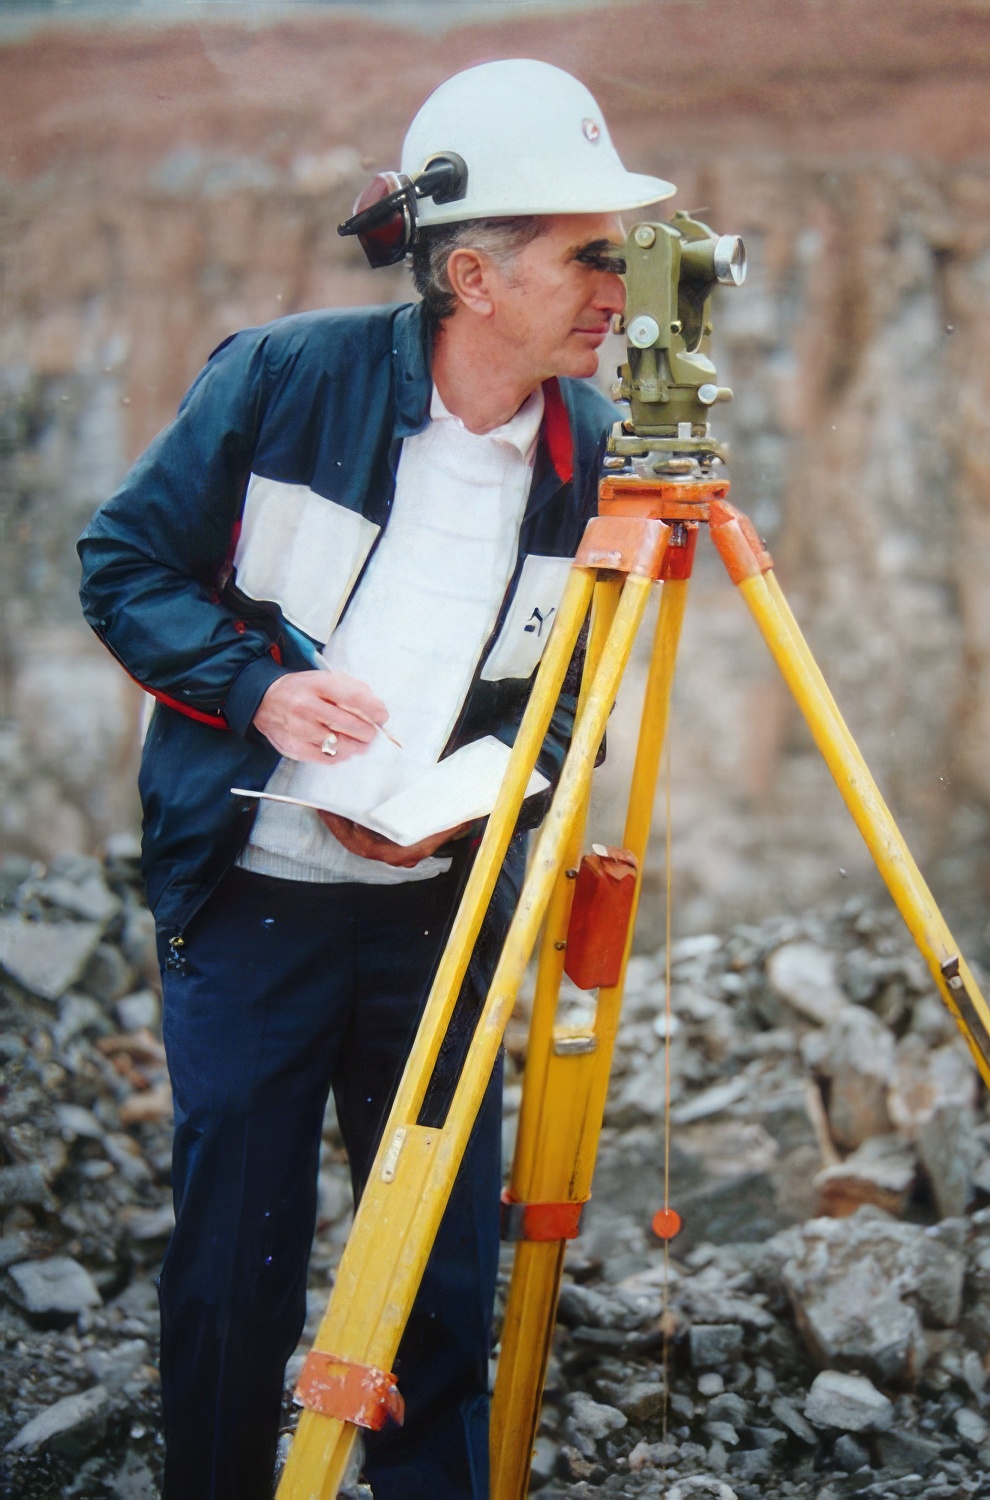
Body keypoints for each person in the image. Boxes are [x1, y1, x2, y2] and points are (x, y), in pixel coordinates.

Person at [77, 57, 674, 1500]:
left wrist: (480, 803)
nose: (621, 288)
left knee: (440, 1287)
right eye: (591, 256)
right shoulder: (286, 381)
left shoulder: (597, 455)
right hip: (252, 904)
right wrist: (260, 692)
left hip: (439, 919)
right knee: (235, 1268)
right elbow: (124, 565)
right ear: (473, 275)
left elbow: (574, 704)